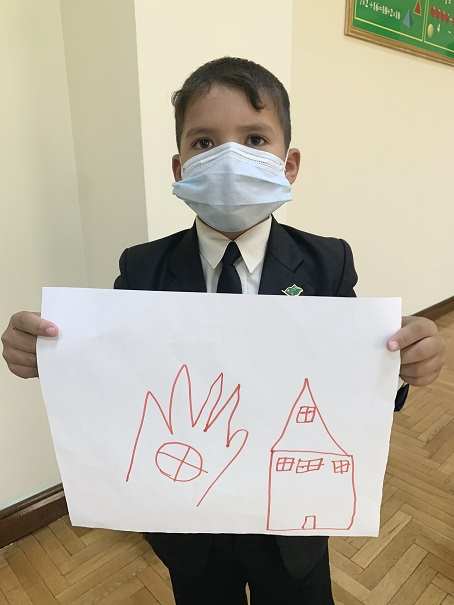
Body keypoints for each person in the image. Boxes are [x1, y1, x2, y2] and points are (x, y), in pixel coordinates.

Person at [1, 57, 445, 605]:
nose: (230, 158)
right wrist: (46, 357)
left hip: (292, 521)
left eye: (255, 139)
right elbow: (117, 381)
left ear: (289, 165)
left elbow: (354, 386)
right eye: (205, 143)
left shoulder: (327, 263)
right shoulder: (143, 268)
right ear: (179, 166)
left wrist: (401, 367)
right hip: (189, 520)